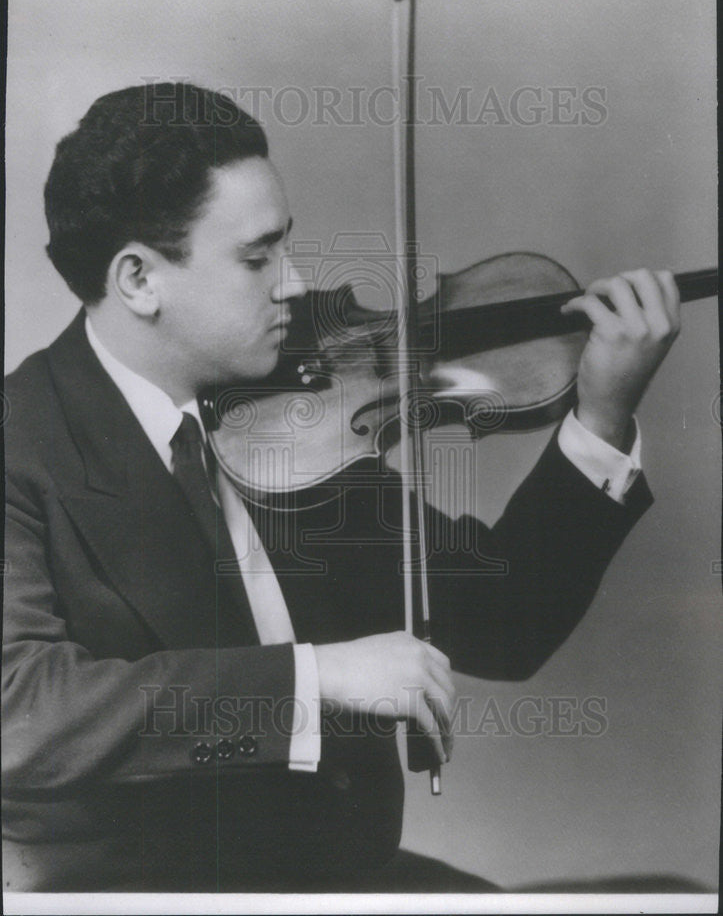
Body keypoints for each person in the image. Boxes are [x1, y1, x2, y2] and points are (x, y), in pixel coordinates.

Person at [2, 83, 681, 893]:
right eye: (256, 260)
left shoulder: (300, 411)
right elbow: (21, 712)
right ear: (139, 279)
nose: (291, 285)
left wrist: (602, 414)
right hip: (145, 893)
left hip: (335, 875)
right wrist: (316, 681)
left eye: (284, 247)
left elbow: (505, 623)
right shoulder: (23, 442)